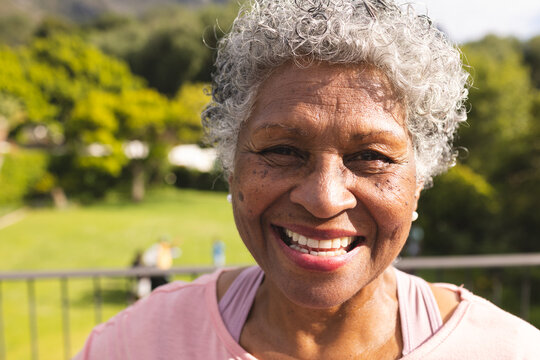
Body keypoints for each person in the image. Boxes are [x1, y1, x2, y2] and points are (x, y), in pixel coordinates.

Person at [74, 0, 540, 358]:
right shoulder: (137, 344)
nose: (323, 198)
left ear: (419, 180)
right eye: (281, 150)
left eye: (371, 157)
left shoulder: (507, 350)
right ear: (232, 167)